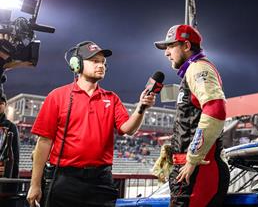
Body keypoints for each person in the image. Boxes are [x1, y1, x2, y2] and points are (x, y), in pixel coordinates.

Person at [26, 41, 156, 207]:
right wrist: (35, 184)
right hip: (64, 179)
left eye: (103, 62)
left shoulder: (112, 98)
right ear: (77, 64)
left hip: (101, 181)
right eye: (95, 61)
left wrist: (141, 108)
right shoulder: (57, 96)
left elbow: (128, 129)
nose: (101, 65)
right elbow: (44, 142)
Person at [154, 25, 230, 207]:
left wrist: (192, 157)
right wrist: (176, 151)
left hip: (200, 168)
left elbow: (216, 109)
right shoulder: (193, 70)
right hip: (196, 168)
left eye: (171, 46)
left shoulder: (198, 68)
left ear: (186, 46)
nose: (166, 53)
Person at [0, 94, 20, 207]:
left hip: (3, 178)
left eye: (1, 103)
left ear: (5, 105)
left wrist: (13, 183)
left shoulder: (11, 127)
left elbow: (15, 156)